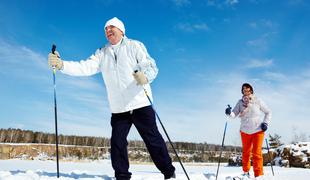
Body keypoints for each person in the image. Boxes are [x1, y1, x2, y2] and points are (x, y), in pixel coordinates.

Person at [48, 17, 175, 180]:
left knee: (152, 139)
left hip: (140, 103)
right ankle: (122, 176)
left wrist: (146, 77)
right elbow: (84, 67)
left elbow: (150, 65)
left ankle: (168, 172)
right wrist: (61, 64)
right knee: (117, 142)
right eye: (106, 29)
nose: (108, 30)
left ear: (122, 30)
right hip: (119, 108)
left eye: (111, 27)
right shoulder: (102, 52)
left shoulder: (134, 46)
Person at [225, 83, 271, 179]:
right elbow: (234, 114)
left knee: (257, 152)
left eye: (248, 90)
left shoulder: (257, 101)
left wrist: (265, 123)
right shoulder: (240, 103)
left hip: (258, 130)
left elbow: (268, 112)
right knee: (246, 152)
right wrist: (229, 113)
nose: (246, 92)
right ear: (242, 91)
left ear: (251, 91)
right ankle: (246, 172)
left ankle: (258, 175)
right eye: (244, 90)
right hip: (245, 131)